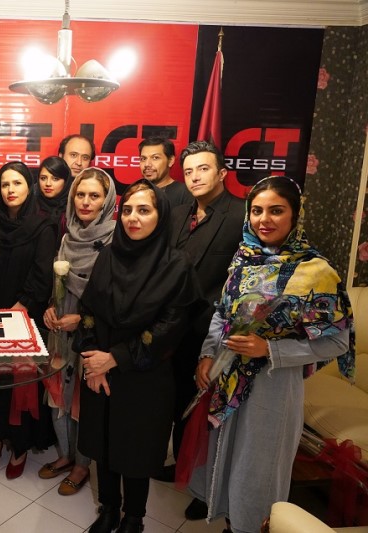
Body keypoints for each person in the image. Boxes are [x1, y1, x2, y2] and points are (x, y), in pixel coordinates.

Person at [184, 176, 353, 533]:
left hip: (274, 388)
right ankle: (231, 523)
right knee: (226, 459)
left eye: (276, 211)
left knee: (258, 470)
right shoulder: (244, 259)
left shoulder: (317, 271)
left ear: (295, 215)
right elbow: (222, 314)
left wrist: (271, 349)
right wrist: (208, 355)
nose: (264, 220)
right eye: (257, 211)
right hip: (229, 379)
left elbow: (337, 342)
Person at [76, 179, 204, 533]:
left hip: (145, 375)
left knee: (135, 450)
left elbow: (170, 327)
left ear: (160, 217)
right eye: (128, 210)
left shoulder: (176, 265)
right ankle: (108, 509)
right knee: (104, 442)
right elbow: (88, 310)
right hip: (99, 371)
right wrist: (93, 362)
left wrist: (114, 358)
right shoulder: (108, 255)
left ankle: (134, 517)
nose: (133, 218)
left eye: (144, 210)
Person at [165, 140, 244, 518]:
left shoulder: (241, 214)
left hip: (212, 333)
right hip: (172, 329)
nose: (195, 176)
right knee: (178, 404)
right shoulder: (177, 213)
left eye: (203, 168)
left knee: (209, 414)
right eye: (189, 170)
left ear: (222, 173)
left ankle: (205, 489)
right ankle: (181, 468)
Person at [0, 161, 57, 479]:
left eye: (17, 183)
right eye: (4, 184)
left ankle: (19, 447)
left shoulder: (44, 227)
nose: (10, 190)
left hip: (24, 320)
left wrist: (12, 317)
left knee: (18, 387)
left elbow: (41, 278)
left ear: (29, 187)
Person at [41, 168, 116, 496]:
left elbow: (115, 299)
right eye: (80, 195)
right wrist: (51, 307)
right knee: (57, 394)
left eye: (94, 196)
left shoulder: (115, 239)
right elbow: (58, 285)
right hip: (60, 332)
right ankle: (65, 454)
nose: (85, 202)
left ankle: (82, 464)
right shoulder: (67, 237)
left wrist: (82, 319)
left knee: (82, 402)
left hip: (91, 335)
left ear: (107, 201)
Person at [139, 137, 192, 207]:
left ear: (170, 161)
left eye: (155, 158)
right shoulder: (134, 192)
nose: (147, 164)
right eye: (143, 159)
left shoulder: (185, 193)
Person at [36, 156, 74, 236]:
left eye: (55, 179)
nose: (48, 184)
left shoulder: (74, 208)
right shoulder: (30, 206)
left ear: (66, 181)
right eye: (43, 178)